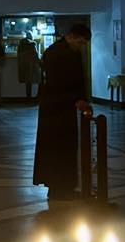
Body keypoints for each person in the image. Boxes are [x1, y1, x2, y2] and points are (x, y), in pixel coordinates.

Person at [32, 24, 91, 202]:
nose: (81, 47)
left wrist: (80, 98)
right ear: (71, 37)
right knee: (57, 148)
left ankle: (64, 185)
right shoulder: (57, 53)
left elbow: (77, 79)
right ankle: (59, 186)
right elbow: (60, 81)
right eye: (79, 42)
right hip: (56, 107)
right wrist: (77, 98)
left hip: (62, 106)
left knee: (64, 147)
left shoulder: (66, 51)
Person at [17, 34, 42, 100]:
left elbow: (19, 57)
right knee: (40, 81)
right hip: (32, 66)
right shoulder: (32, 45)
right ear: (31, 37)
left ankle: (28, 98)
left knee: (28, 83)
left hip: (24, 67)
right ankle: (38, 96)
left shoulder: (20, 46)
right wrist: (41, 63)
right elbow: (36, 56)